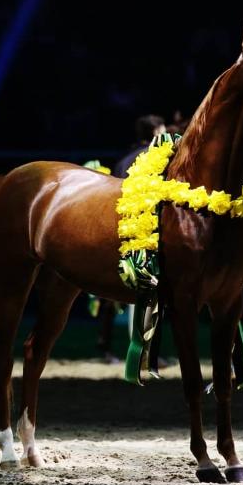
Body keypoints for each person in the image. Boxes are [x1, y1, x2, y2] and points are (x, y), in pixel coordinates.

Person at [96, 114, 167, 362]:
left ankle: (107, 347)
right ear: (156, 131)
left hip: (119, 227)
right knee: (147, 292)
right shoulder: (156, 157)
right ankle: (143, 352)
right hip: (144, 231)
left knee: (111, 294)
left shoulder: (124, 157)